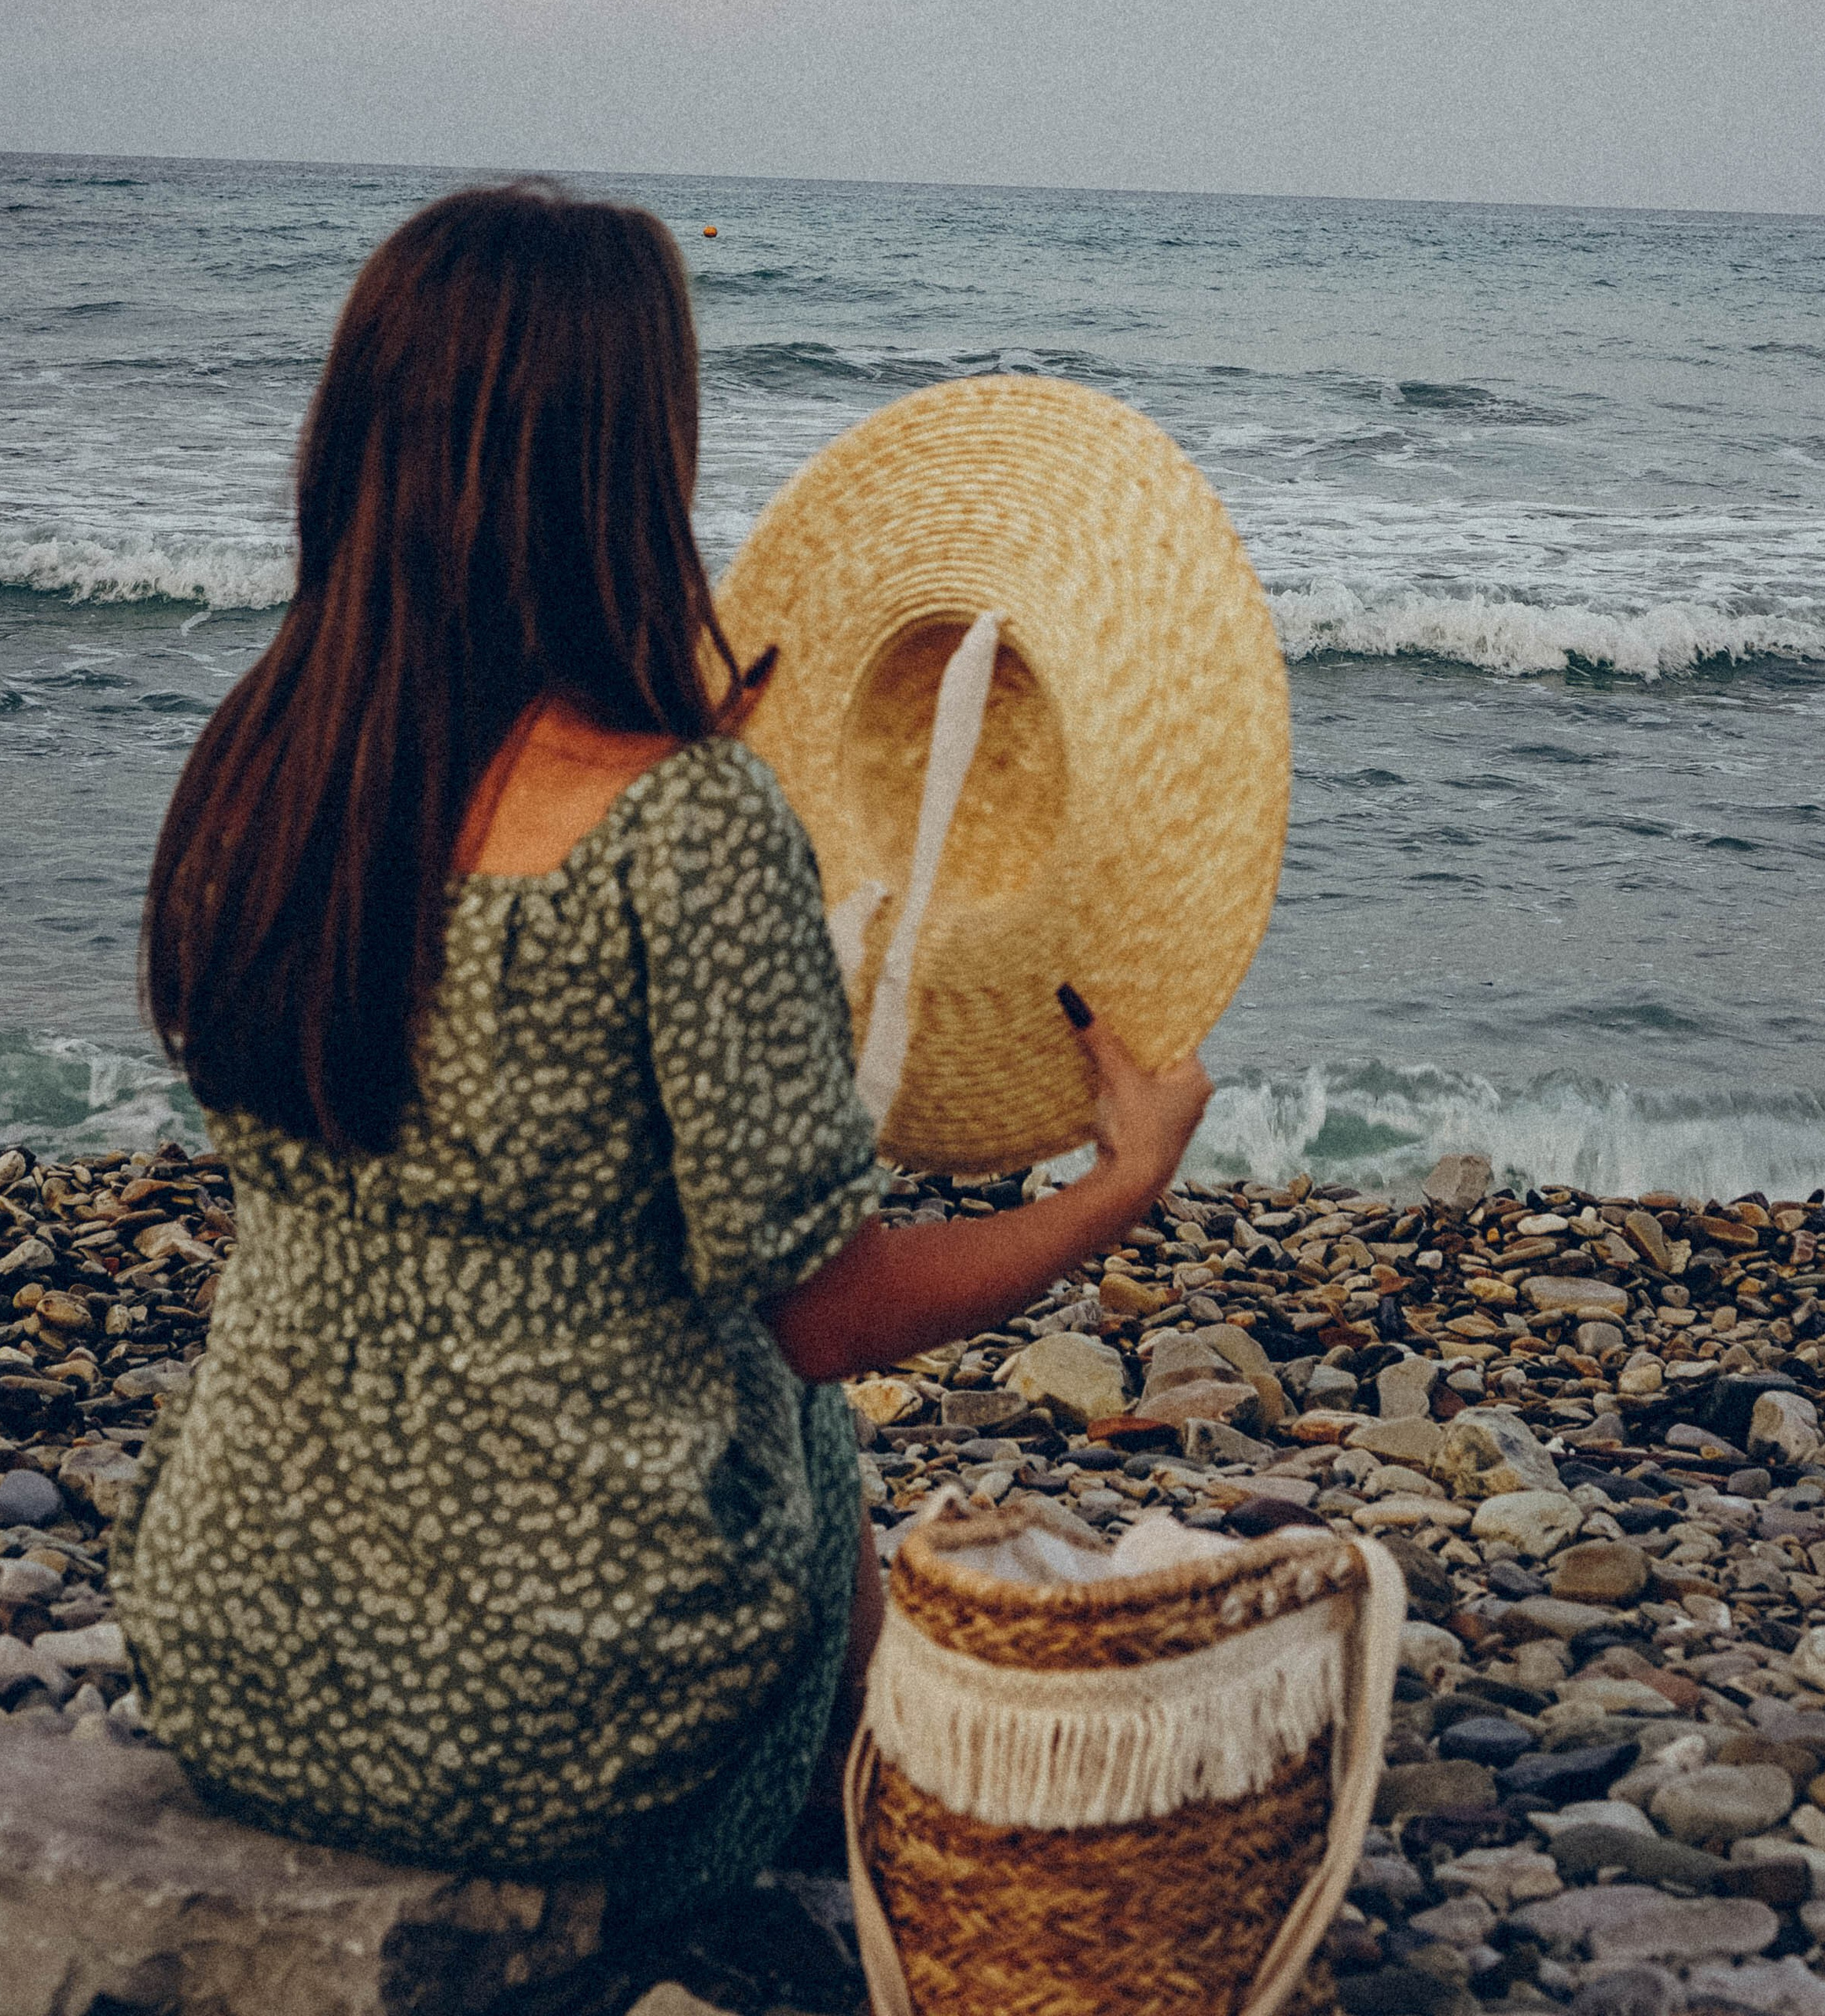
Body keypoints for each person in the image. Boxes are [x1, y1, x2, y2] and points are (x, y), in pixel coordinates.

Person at [113, 182, 1211, 1925]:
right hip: (545, 1729)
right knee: (802, 1420)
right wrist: (1116, 1183)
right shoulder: (680, 830)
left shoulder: (266, 768)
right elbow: (826, 1311)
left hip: (236, 1652)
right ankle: (873, 1873)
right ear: (628, 457)